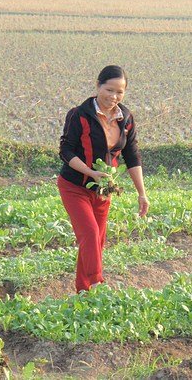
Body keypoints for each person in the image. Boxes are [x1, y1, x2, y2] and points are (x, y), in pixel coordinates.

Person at [57, 65, 149, 294]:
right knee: (88, 234)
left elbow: (132, 155)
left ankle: (83, 293)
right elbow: (66, 151)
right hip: (75, 186)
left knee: (96, 241)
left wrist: (142, 193)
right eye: (109, 90)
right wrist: (90, 173)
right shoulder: (79, 114)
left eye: (120, 92)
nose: (114, 97)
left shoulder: (125, 118)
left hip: (103, 189)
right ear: (98, 85)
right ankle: (98, 285)